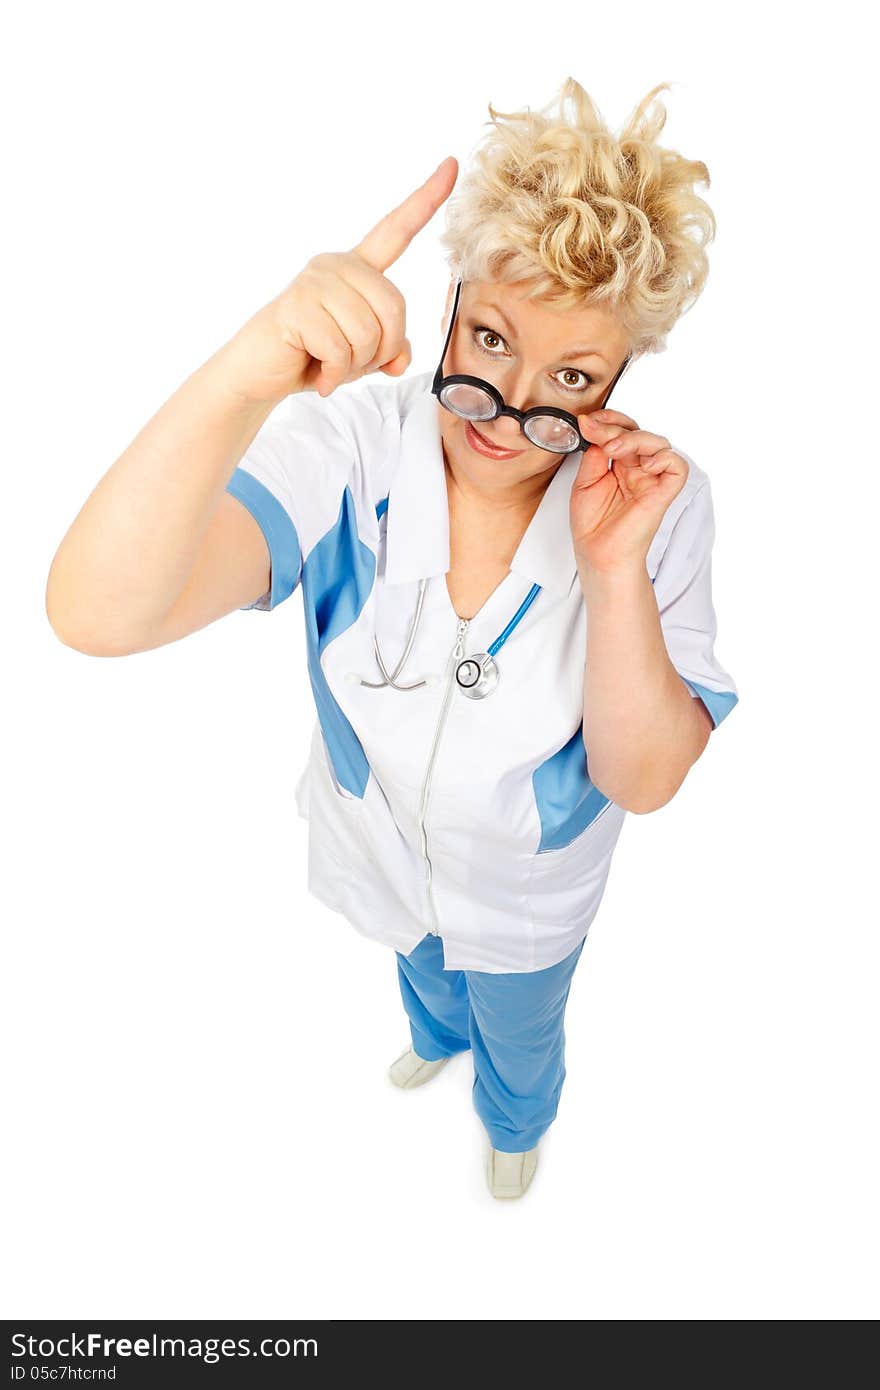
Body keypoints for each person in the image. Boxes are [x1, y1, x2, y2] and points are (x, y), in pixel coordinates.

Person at [45, 77, 739, 1200]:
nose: (511, 414)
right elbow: (98, 611)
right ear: (452, 297)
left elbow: (644, 777)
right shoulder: (354, 446)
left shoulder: (657, 501)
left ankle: (515, 1117)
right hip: (378, 848)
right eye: (489, 340)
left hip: (527, 894)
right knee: (418, 966)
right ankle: (434, 1034)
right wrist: (255, 357)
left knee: (522, 1023)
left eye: (571, 378)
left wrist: (613, 572)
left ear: (620, 378)